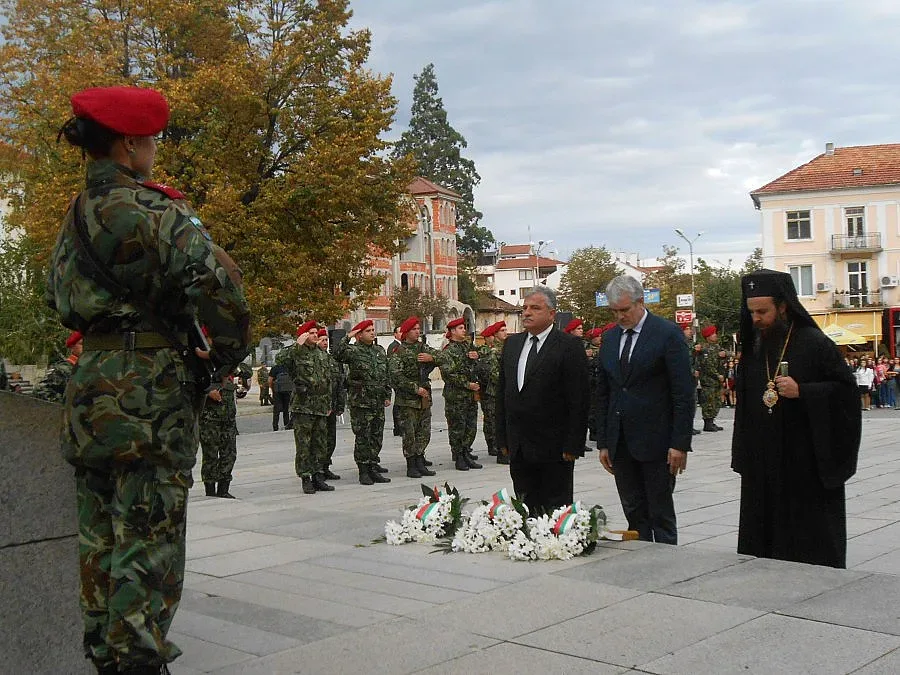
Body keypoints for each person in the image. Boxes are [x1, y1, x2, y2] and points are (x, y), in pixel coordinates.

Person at [47, 86, 251, 675]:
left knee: (99, 536)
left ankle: (102, 655)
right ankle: (138, 660)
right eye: (153, 141)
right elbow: (225, 296)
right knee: (149, 535)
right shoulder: (155, 212)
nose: (155, 151)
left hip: (89, 390)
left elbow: (57, 298)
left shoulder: (75, 217)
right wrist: (217, 360)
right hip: (148, 396)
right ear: (131, 143)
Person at [732, 269, 860, 568]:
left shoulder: (814, 342)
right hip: (764, 461)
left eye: (763, 311)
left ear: (783, 306)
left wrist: (804, 391)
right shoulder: (755, 348)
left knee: (807, 544)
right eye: (751, 312)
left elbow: (846, 393)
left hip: (805, 463)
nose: (756, 319)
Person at [595, 275, 693, 544]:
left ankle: (666, 565)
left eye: (624, 310)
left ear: (640, 302)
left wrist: (680, 443)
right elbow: (604, 392)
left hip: (657, 442)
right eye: (614, 311)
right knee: (634, 514)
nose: (619, 316)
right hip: (621, 442)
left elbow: (682, 392)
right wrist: (603, 442)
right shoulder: (611, 338)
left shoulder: (666, 334)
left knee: (660, 513)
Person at [496, 287, 590, 514]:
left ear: (551, 313)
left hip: (554, 446)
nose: (527, 313)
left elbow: (579, 398)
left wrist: (574, 443)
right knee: (525, 506)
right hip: (519, 444)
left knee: (555, 509)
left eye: (535, 308)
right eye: (525, 308)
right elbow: (503, 393)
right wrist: (502, 438)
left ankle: (555, 548)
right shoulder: (513, 344)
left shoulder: (569, 346)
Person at [277, 321, 335, 494]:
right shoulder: (296, 352)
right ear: (303, 335)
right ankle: (306, 477)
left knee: (320, 443)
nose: (316, 335)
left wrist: (328, 404)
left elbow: (328, 380)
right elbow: (280, 359)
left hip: (321, 406)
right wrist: (297, 345)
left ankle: (318, 476)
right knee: (304, 444)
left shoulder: (322, 354)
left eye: (316, 332)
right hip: (303, 407)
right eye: (311, 333)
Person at [333, 319, 393, 484]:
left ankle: (373, 467)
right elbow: (337, 353)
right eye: (368, 330)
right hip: (361, 402)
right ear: (359, 335)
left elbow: (385, 374)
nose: (373, 333)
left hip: (377, 401)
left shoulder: (379, 351)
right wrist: (348, 336)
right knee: (363, 438)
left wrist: (387, 394)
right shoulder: (353, 351)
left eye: (373, 330)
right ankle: (363, 471)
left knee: (376, 436)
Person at [389, 316, 439, 477]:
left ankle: (420, 460)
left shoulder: (423, 347)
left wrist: (432, 358)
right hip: (408, 400)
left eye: (418, 329)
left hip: (424, 398)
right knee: (409, 434)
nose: (417, 331)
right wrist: (415, 389)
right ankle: (411, 464)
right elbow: (395, 376)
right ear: (406, 332)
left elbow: (443, 356)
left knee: (424, 432)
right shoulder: (399, 351)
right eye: (414, 329)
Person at [439, 317, 483, 471]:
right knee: (457, 427)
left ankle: (466, 452)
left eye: (464, 327)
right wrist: (467, 384)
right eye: (460, 328)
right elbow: (448, 374)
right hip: (456, 396)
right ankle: (458, 456)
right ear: (452, 332)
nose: (464, 330)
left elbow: (478, 366)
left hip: (470, 395)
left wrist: (476, 358)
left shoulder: (468, 347)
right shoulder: (448, 351)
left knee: (471, 426)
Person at [199, 344, 239, 499]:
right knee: (210, 455)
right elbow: (194, 382)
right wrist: (208, 392)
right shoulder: (203, 361)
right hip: (210, 418)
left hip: (228, 418)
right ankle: (210, 489)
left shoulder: (229, 359)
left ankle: (224, 487)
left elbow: (246, 371)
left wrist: (234, 366)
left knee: (229, 454)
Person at [318, 328, 345, 481]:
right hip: (318, 407)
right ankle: (317, 470)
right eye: (322, 339)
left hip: (332, 407)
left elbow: (338, 383)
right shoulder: (312, 358)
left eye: (326, 340)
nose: (325, 342)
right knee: (319, 441)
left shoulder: (331, 359)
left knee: (330, 439)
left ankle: (326, 466)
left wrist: (340, 405)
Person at [476, 321, 505, 461]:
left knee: (498, 418)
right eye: (502, 330)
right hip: (491, 391)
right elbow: (489, 372)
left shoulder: (505, 348)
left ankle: (498, 444)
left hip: (499, 390)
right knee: (491, 419)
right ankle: (492, 444)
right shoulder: (490, 351)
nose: (505, 333)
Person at [32, 330, 83, 403]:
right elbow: (40, 390)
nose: (86, 348)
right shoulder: (63, 369)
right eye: (82, 344)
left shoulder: (87, 368)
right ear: (72, 347)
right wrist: (64, 405)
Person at [697, 325, 725, 432]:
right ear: (708, 336)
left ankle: (712, 421)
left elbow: (727, 353)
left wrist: (724, 354)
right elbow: (707, 366)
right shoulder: (705, 349)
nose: (715, 335)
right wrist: (718, 375)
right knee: (708, 401)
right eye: (713, 334)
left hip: (716, 381)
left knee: (716, 401)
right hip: (709, 380)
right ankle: (707, 423)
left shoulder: (717, 347)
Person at [268, 355, 294, 430]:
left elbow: (270, 380)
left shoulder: (275, 368)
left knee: (276, 410)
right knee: (286, 409)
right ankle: (287, 424)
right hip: (288, 390)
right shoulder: (289, 368)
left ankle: (275, 426)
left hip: (277, 391)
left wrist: (272, 389)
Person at [387, 325, 403, 436]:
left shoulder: (403, 346)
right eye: (400, 332)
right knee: (398, 403)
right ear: (395, 334)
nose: (402, 334)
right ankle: (397, 427)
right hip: (396, 379)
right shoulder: (393, 347)